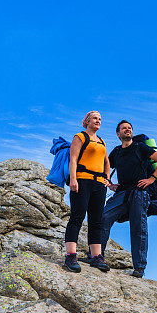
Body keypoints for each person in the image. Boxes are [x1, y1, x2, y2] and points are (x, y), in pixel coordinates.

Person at [100, 120, 157, 278]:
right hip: (122, 192)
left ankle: (139, 268)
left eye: (129, 128)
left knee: (138, 228)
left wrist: (151, 179)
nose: (127, 130)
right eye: (124, 128)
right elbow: (106, 167)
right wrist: (109, 183)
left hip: (139, 192)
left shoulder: (140, 147)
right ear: (118, 134)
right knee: (103, 217)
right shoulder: (116, 151)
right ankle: (96, 256)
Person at [64, 111, 112, 273]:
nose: (98, 121)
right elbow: (73, 159)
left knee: (97, 220)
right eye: (95, 118)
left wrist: (107, 178)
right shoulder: (80, 137)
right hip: (82, 180)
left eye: (100, 119)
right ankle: (70, 255)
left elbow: (107, 162)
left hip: (99, 184)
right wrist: (73, 179)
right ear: (87, 121)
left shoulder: (102, 141)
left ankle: (96, 257)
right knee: (77, 216)